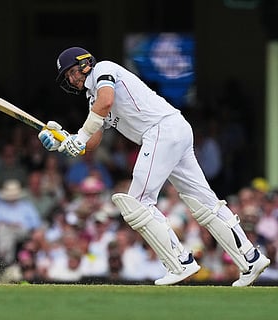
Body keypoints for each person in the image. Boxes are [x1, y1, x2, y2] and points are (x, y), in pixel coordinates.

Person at [37, 46, 269, 286]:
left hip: (161, 130)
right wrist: (64, 142)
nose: (72, 79)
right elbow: (92, 140)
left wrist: (81, 137)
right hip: (174, 130)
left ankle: (180, 263)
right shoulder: (92, 98)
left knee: (137, 203)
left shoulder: (103, 70)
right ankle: (250, 259)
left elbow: (105, 104)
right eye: (67, 77)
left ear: (85, 63)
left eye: (72, 72)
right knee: (204, 203)